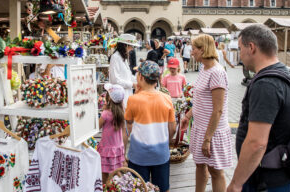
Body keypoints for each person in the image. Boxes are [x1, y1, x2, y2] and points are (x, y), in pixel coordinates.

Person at [227, 24, 290, 192]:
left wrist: (236, 184)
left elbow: (256, 143)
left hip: (264, 180)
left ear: (251, 47)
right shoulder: (284, 74)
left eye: (240, 48)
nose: (240, 55)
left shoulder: (266, 84)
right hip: (277, 174)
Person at [181, 34, 232, 192]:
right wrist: (188, 115)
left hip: (212, 132)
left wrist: (208, 139)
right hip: (200, 127)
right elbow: (200, 99)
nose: (191, 52)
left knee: (215, 172)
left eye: (194, 49)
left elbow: (218, 110)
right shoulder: (204, 68)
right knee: (200, 165)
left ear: (203, 50)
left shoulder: (217, 72)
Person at [125, 60, 176, 192]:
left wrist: (123, 150)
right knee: (162, 188)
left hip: (138, 155)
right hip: (161, 154)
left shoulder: (133, 99)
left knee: (138, 188)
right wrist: (166, 142)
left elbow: (128, 126)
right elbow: (173, 129)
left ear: (141, 77)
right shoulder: (166, 98)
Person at [98, 83, 126, 185]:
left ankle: (106, 188)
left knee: (104, 174)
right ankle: (120, 185)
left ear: (109, 98)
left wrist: (103, 111)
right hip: (118, 148)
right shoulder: (122, 111)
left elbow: (98, 126)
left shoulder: (106, 113)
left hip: (107, 149)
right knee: (116, 171)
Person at [109, 33, 139, 109]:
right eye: (131, 46)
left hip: (127, 94)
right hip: (120, 96)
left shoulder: (123, 58)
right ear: (125, 46)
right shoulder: (115, 57)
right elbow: (115, 80)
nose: (132, 49)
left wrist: (138, 80)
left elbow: (128, 75)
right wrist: (132, 84)